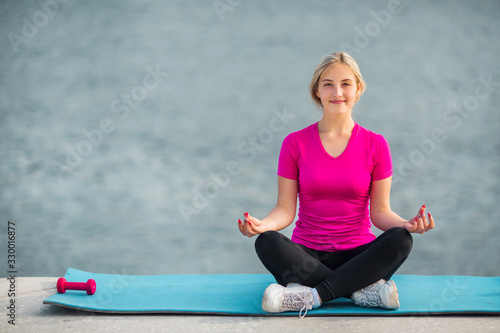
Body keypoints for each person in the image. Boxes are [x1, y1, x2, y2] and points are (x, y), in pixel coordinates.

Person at [237, 52, 435, 317]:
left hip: (359, 255)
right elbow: (285, 209)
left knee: (401, 240)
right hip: (306, 257)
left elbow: (380, 213)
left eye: (346, 83)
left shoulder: (376, 145)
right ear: (317, 91)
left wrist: (407, 225)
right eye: (328, 84)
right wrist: (263, 225)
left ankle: (312, 296)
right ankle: (361, 291)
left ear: (358, 89)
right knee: (266, 242)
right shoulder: (294, 143)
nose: (337, 92)